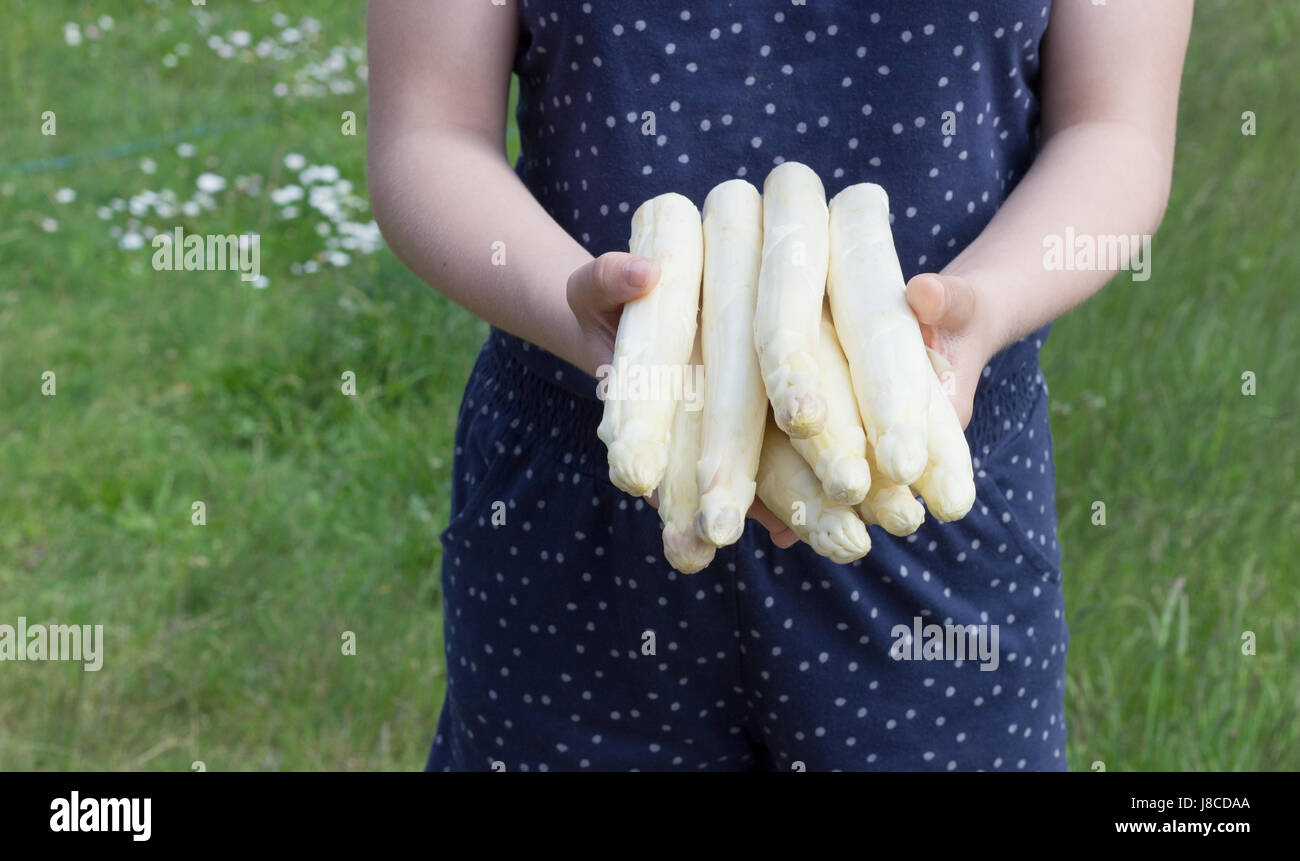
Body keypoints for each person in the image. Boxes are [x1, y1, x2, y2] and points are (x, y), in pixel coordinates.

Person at [367, 0, 1192, 771]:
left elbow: (1115, 127)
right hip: (578, 498)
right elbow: (430, 133)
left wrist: (982, 312)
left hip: (927, 477)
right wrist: (584, 317)